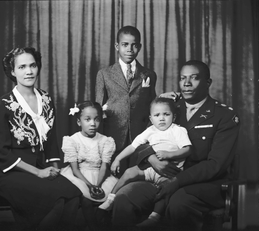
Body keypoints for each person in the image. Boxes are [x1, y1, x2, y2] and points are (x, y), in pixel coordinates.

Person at [110, 60, 240, 231]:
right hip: (159, 175)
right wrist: (152, 158)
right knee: (124, 198)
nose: (186, 83)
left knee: (178, 205)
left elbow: (216, 164)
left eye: (194, 78)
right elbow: (143, 140)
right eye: (182, 78)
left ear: (208, 83)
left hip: (200, 184)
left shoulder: (224, 115)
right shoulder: (168, 107)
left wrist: (177, 180)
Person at [0, 47, 82, 231]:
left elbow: (50, 141)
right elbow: (1, 154)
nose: (29, 71)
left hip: (40, 166)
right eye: (22, 67)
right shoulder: (2, 105)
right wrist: (38, 173)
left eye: (32, 65)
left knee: (73, 196)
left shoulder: (46, 99)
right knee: (55, 202)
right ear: (12, 71)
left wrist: (55, 170)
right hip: (8, 171)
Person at [98, 97, 192, 228]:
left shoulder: (177, 130)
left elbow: (187, 149)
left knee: (166, 190)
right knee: (129, 172)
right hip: (151, 168)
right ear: (151, 118)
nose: (162, 118)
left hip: (170, 171)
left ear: (174, 117)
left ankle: (155, 216)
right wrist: (118, 159)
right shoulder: (150, 131)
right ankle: (111, 199)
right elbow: (133, 146)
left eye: (166, 114)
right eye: (157, 115)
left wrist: (169, 154)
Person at [95, 25, 157, 176]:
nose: (129, 49)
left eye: (134, 45)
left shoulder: (148, 74)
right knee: (113, 177)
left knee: (136, 177)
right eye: (125, 45)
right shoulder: (104, 74)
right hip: (113, 134)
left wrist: (148, 132)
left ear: (140, 47)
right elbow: (98, 107)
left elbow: (152, 104)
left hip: (140, 135)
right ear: (117, 46)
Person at [60, 101, 118, 230]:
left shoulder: (105, 141)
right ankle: (93, 227)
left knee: (111, 196)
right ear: (79, 122)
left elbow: (104, 166)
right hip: (80, 177)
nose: (92, 123)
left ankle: (102, 223)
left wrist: (97, 185)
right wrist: (90, 186)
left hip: (100, 176)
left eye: (96, 119)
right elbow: (75, 169)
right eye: (87, 119)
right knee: (85, 199)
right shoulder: (73, 140)